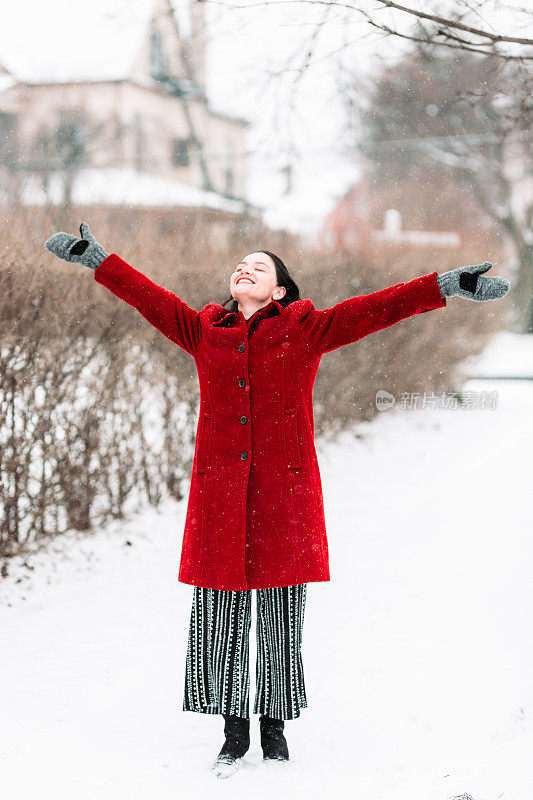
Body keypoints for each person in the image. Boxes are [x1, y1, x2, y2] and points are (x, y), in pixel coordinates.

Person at [45, 223, 510, 779]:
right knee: (219, 615)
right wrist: (98, 258)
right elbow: (147, 295)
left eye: (259, 267)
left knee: (280, 614)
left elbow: (377, 308)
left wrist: (445, 285)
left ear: (280, 290)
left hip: (283, 493)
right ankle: (232, 728)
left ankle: (275, 725)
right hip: (220, 492)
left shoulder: (306, 330)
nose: (244, 269)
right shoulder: (202, 329)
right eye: (240, 264)